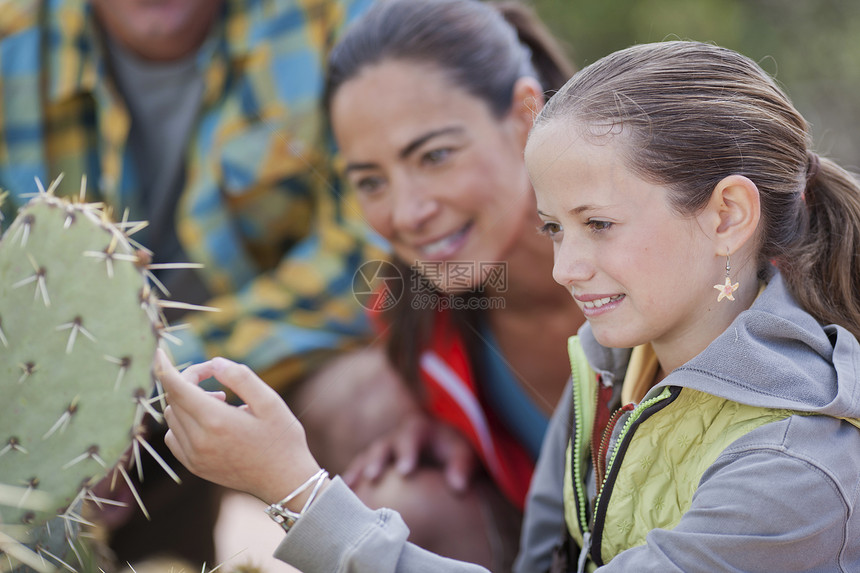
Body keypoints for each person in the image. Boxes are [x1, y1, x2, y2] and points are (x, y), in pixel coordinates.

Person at [160, 38, 860, 572]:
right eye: (555, 227)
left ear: (728, 215)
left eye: (600, 224)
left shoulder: (796, 468)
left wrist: (296, 488)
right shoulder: (612, 363)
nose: (565, 267)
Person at [0, 0, 378, 566]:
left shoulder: (337, 21)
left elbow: (370, 260)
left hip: (275, 360)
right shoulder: (14, 36)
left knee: (376, 407)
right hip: (60, 388)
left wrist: (131, 393)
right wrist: (62, 424)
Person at [229, 0, 583, 569]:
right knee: (399, 494)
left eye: (436, 156)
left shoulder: (660, 270)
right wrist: (447, 421)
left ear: (524, 116)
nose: (407, 212)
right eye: (371, 181)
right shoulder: (419, 315)